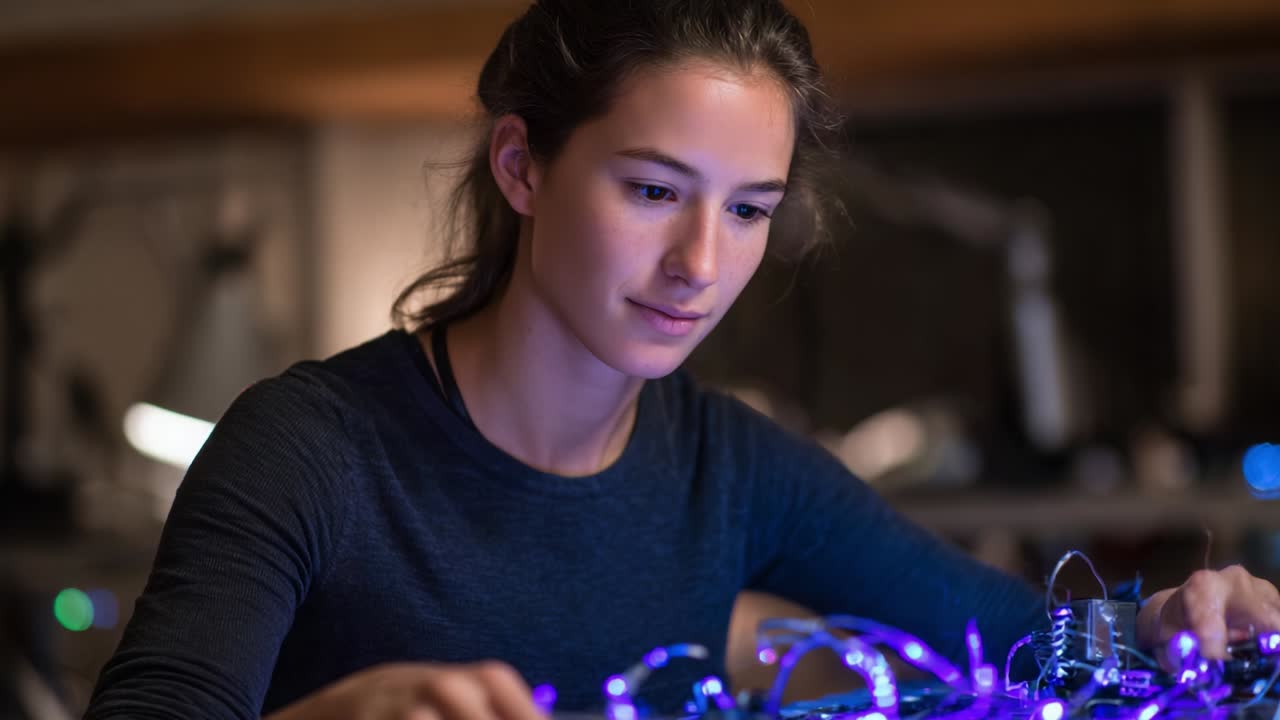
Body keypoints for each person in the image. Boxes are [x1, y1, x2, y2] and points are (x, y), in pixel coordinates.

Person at [85, 2, 1280, 719]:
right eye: (654, 191)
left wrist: (1178, 619)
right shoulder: (308, 449)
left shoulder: (732, 471)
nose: (700, 263)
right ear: (521, 168)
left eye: (749, 209)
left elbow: (1019, 637)